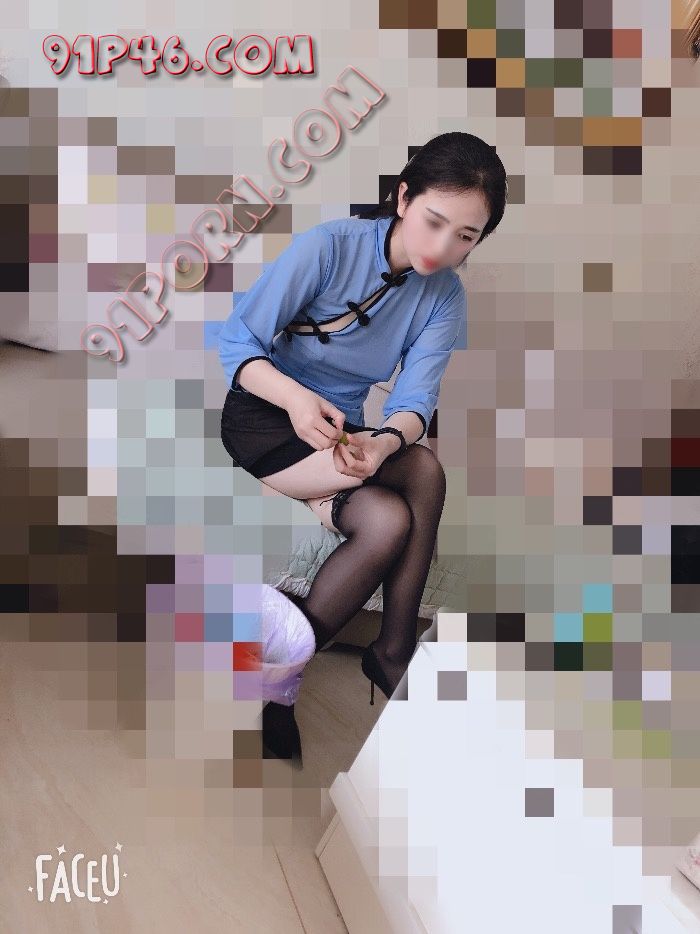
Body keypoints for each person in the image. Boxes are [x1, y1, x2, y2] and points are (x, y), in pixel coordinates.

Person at [218, 131, 507, 763]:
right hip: (266, 418)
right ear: (403, 198)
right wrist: (297, 400)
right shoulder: (328, 247)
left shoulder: (444, 297)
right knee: (420, 477)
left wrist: (380, 444)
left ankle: (286, 674)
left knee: (396, 506)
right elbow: (237, 344)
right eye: (434, 221)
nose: (443, 248)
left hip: (339, 435)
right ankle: (391, 651)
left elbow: (415, 402)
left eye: (465, 236)